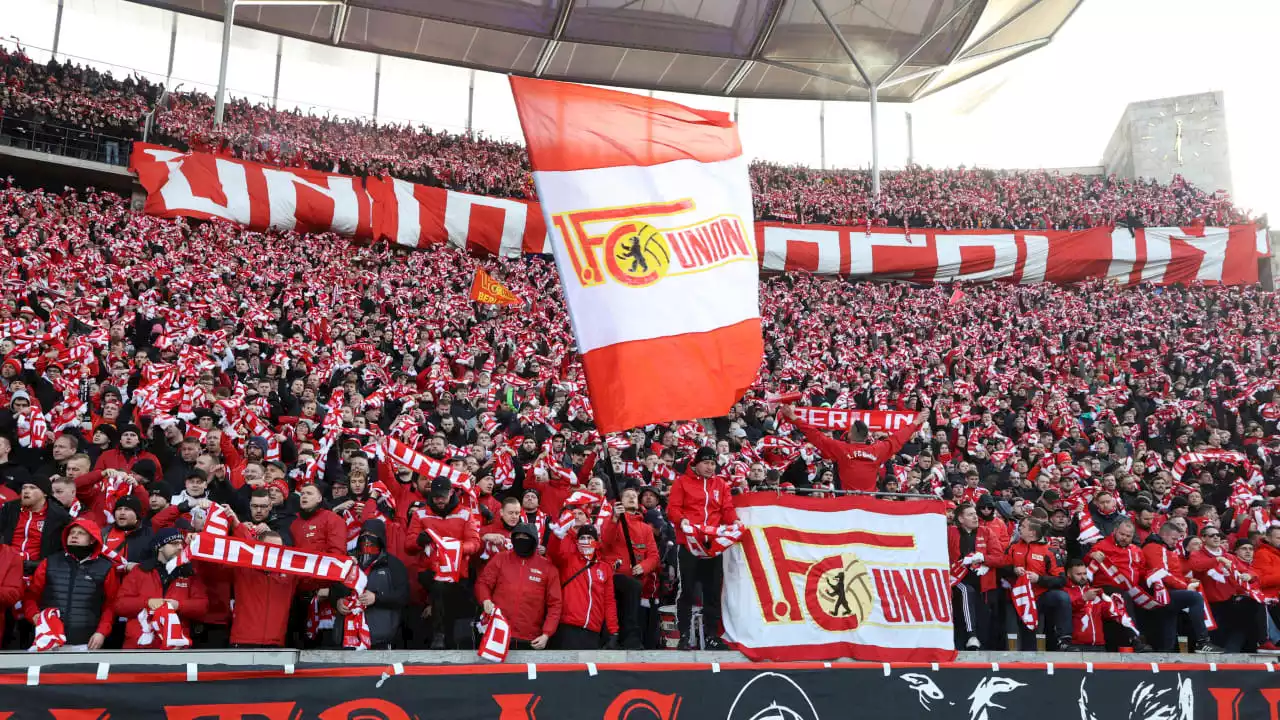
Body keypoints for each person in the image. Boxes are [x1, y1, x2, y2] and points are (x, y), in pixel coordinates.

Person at [667, 446, 738, 650]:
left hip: (712, 546)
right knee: (687, 590)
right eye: (706, 463)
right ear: (696, 463)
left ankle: (711, 636)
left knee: (713, 592)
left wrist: (735, 523)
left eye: (713, 463)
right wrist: (682, 522)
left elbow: (727, 509)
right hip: (689, 543)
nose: (710, 467)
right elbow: (673, 508)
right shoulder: (682, 482)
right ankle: (683, 635)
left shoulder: (721, 484)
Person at [22, 517, 120, 650]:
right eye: (71, 532)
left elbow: (111, 605)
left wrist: (102, 632)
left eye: (81, 533)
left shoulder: (106, 568)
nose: (74, 536)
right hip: (48, 640)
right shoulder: (49, 562)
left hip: (86, 642)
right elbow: (31, 595)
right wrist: (33, 615)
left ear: (92, 539)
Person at [406, 476, 480, 649]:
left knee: (448, 595)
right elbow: (408, 546)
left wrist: (456, 548)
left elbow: (475, 542)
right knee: (439, 587)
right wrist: (419, 540)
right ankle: (440, 635)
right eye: (436, 496)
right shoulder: (420, 513)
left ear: (452, 493)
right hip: (429, 571)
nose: (439, 500)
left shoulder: (464, 513)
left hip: (456, 572)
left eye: (443, 496)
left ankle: (446, 638)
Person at [781, 405, 925, 491]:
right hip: (870, 503)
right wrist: (916, 421)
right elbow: (898, 438)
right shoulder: (877, 450)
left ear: (851, 434)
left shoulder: (842, 449)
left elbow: (815, 435)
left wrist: (793, 417)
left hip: (848, 504)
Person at [115, 528, 209, 649]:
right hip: (139, 646)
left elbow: (203, 606)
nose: (180, 547)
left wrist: (179, 606)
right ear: (160, 547)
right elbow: (119, 605)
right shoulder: (140, 571)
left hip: (175, 648)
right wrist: (147, 603)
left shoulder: (189, 573)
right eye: (174, 544)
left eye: (181, 544)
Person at [475, 522, 561, 650]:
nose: (521, 541)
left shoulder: (547, 567)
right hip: (497, 632)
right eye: (518, 537)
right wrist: (485, 599)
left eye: (526, 538)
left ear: (534, 540)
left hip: (530, 638)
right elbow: (483, 583)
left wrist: (547, 633)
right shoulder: (500, 559)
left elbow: (555, 603)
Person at [1141, 521, 1223, 653]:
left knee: (1169, 635)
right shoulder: (1153, 547)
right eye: (1174, 539)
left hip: (1167, 592)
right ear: (1164, 535)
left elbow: (1174, 574)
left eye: (1178, 539)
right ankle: (1202, 642)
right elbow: (1161, 573)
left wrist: (1187, 580)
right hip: (1158, 593)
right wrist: (1185, 586)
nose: (1176, 542)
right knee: (1194, 598)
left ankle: (1167, 651)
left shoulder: (1166, 549)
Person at [330, 519, 409, 650]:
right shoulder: (348, 562)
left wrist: (377, 598)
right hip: (347, 637)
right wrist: (337, 602)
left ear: (381, 537)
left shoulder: (393, 564)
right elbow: (334, 590)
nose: (367, 538)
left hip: (380, 637)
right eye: (364, 533)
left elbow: (403, 596)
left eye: (372, 534)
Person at [601, 486, 659, 649]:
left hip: (636, 579)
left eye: (634, 496)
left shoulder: (646, 528)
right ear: (620, 501)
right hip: (614, 575)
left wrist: (643, 566)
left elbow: (654, 556)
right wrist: (614, 519)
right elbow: (605, 542)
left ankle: (626, 639)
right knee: (631, 589)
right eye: (627, 496)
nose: (632, 498)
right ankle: (630, 639)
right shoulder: (612, 519)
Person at [1189, 529, 1265, 653]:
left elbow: (1247, 570)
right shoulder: (1197, 554)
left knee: (1252, 607)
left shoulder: (1229, 556)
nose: (1216, 537)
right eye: (1212, 535)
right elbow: (1197, 566)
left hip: (1228, 600)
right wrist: (1217, 559)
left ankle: (1250, 647)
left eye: (1218, 535)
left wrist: (1249, 575)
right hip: (1209, 602)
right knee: (1218, 636)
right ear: (1203, 538)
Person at [1002, 518, 1073, 650]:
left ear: (1032, 533)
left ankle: (1064, 638)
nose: (1019, 528)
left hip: (1040, 596)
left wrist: (1039, 579)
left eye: (1023, 526)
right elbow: (1001, 567)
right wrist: (1013, 570)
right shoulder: (1014, 547)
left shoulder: (1050, 551)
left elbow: (1061, 580)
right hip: (1019, 597)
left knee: (1062, 597)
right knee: (1024, 636)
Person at [550, 524, 618, 649]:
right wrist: (557, 536)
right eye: (582, 538)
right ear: (577, 541)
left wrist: (613, 630)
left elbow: (609, 601)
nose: (586, 541)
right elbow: (553, 554)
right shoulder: (568, 560)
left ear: (596, 542)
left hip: (593, 629)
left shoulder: (604, 568)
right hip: (569, 627)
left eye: (589, 537)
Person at [948, 503, 1005, 650]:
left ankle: (978, 647)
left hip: (983, 586)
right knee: (967, 592)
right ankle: (970, 635)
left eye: (975, 513)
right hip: (956, 581)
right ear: (960, 519)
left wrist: (983, 558)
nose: (975, 517)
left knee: (984, 625)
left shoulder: (987, 532)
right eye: (970, 514)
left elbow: (1000, 559)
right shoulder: (950, 532)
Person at [228, 529, 297, 648]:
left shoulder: (290, 573)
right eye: (269, 548)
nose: (274, 552)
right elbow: (212, 567)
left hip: (275, 644)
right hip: (243, 641)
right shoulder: (242, 568)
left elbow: (317, 578)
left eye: (278, 549)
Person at [1, 475, 71, 573]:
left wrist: (39, 565)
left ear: (45, 493)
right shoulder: (9, 509)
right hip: (6, 565)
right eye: (24, 488)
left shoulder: (59, 516)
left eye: (32, 488)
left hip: (39, 569)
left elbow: (62, 550)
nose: (26, 491)